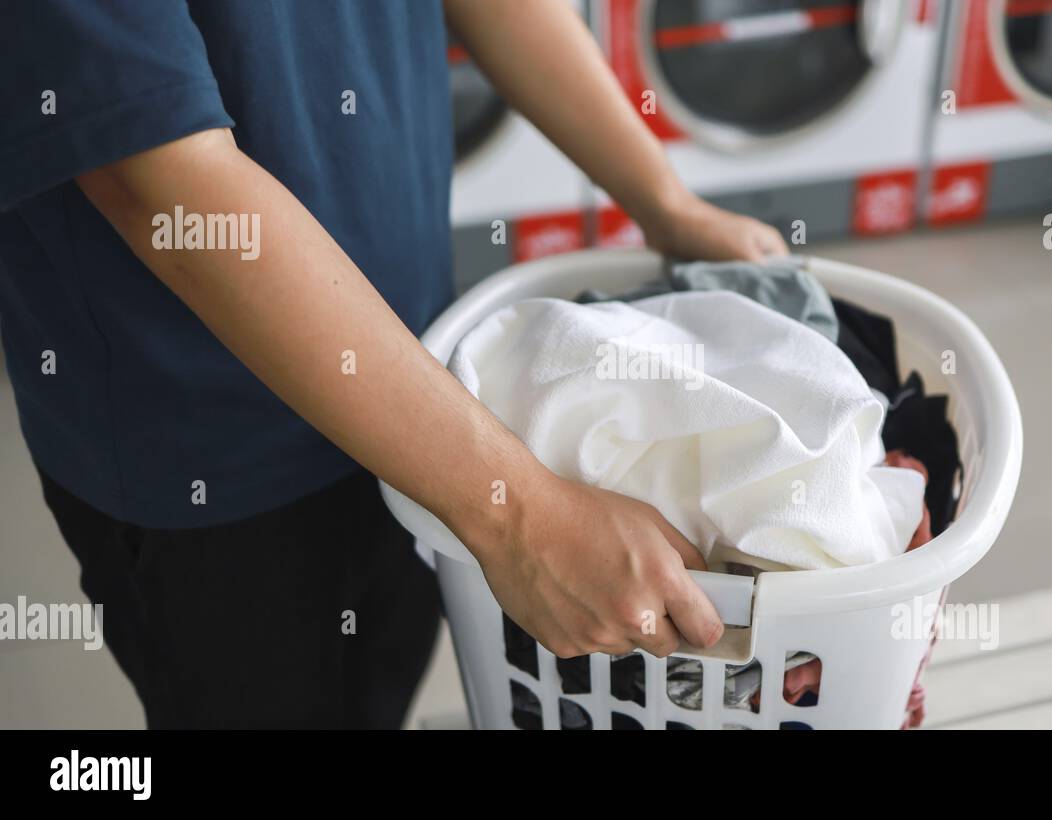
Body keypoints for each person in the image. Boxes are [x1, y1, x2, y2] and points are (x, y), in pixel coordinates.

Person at [0, 0, 789, 728]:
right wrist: (518, 515)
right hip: (207, 454)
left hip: (420, 378)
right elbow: (159, 179)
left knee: (375, 689)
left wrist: (665, 204)